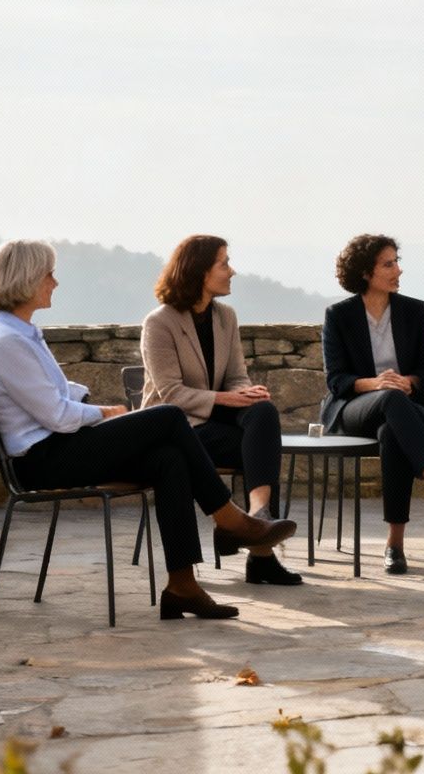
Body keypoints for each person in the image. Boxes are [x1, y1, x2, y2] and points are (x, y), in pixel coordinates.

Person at [0, 239, 296, 622]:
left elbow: (55, 393)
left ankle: (182, 586)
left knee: (168, 459)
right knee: (167, 417)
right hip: (43, 460)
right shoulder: (6, 342)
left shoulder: (21, 334)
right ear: (25, 279)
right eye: (48, 275)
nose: (54, 282)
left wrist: (83, 401)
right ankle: (230, 520)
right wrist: (103, 412)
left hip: (58, 447)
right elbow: (57, 416)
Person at [140, 234, 302, 585]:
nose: (232, 271)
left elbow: (235, 377)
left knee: (263, 413)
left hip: (213, 422)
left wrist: (247, 393)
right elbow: (171, 393)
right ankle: (259, 552)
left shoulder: (226, 317)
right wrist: (226, 399)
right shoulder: (160, 322)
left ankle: (258, 515)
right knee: (260, 447)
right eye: (224, 263)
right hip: (177, 428)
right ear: (200, 271)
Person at [320, 233, 424, 574]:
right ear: (366, 272)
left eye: (397, 262)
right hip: (354, 408)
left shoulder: (413, 310)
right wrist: (377, 384)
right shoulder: (339, 315)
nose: (398, 270)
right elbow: (336, 379)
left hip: (406, 408)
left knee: (392, 433)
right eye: (388, 264)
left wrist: (408, 382)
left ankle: (395, 545)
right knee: (389, 398)